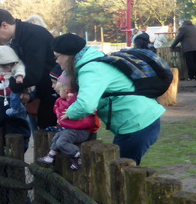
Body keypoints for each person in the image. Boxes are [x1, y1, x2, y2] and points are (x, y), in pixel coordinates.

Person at [52, 33, 164, 165]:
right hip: (136, 122)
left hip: (138, 124)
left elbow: (85, 105)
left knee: (120, 171)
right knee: (120, 168)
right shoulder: (93, 63)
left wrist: (69, 113)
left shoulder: (91, 69)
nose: (56, 61)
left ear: (68, 54)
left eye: (57, 56)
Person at [0, 8, 57, 128]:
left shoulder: (33, 35)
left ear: (4, 25)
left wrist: (10, 84)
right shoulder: (18, 38)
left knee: (46, 134)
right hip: (38, 92)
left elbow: (33, 74)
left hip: (51, 93)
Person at [36, 69, 100, 170]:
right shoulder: (63, 100)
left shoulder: (77, 100)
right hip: (71, 129)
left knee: (62, 142)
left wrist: (73, 98)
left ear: (67, 91)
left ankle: (77, 155)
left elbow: (79, 108)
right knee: (56, 138)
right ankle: (51, 156)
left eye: (59, 91)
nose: (57, 93)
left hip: (80, 130)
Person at [0, 44, 29, 120]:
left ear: (8, 67)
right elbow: (4, 75)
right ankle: (17, 109)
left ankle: (16, 109)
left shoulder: (18, 66)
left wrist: (19, 76)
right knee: (13, 97)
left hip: (20, 87)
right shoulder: (7, 69)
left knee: (14, 97)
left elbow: (20, 70)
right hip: (14, 86)